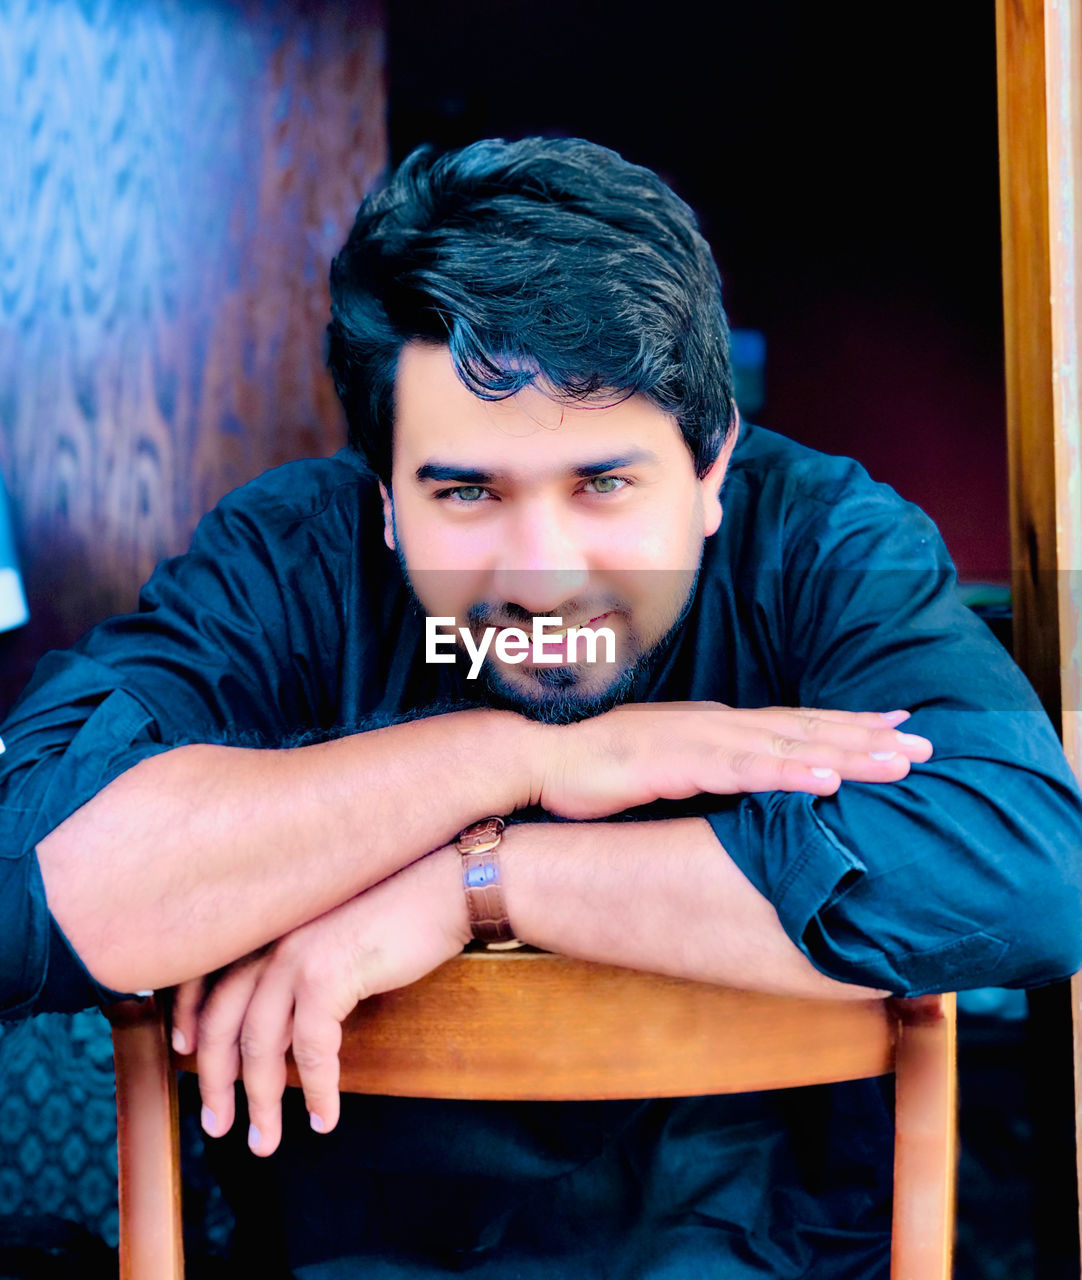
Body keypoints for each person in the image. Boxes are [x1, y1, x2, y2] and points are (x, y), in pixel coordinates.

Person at [2, 136, 1081, 1278]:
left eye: (602, 483)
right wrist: (509, 758)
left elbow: (1027, 870)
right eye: (465, 491)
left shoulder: (818, 540)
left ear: (713, 467)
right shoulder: (289, 559)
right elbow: (26, 875)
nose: (541, 572)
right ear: (382, 501)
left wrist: (482, 880)